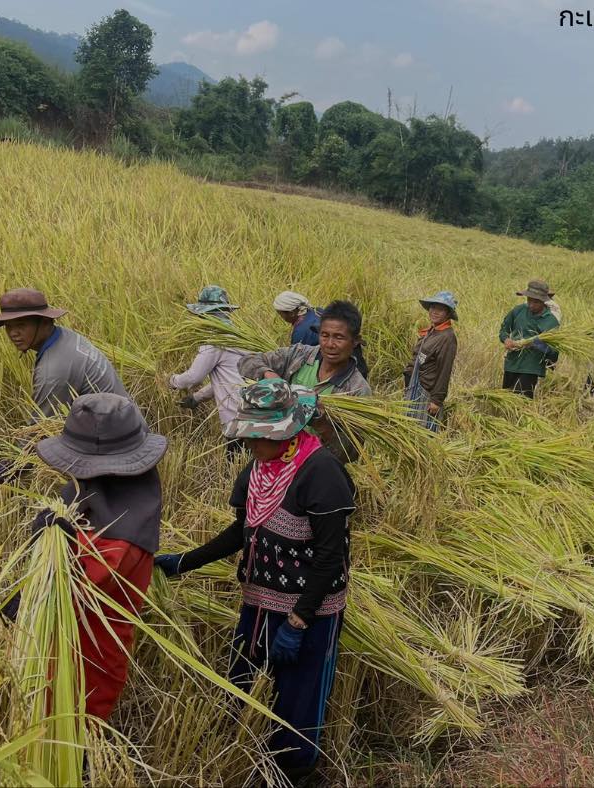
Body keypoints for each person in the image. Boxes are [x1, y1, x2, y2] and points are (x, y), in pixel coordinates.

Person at [154, 379, 354, 784]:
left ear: (290, 431)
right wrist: (185, 562)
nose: (251, 444)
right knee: (242, 680)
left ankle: (294, 772)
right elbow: (241, 530)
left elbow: (332, 558)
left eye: (259, 436)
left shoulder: (322, 473)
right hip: (259, 601)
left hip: (309, 612)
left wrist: (299, 622)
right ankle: (243, 754)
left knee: (299, 697)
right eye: (248, 436)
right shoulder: (261, 467)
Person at [8, 393, 166, 720]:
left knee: (72, 739)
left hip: (84, 666)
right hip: (67, 648)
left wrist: (50, 548)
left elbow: (65, 589)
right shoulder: (122, 494)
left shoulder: (119, 540)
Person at [0, 288, 131, 483]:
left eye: (21, 325)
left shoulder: (54, 369)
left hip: (118, 447)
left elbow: (40, 429)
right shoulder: (64, 337)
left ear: (44, 322)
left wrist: (12, 466)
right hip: (124, 422)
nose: (13, 334)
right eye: (8, 326)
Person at [239, 300, 371, 462]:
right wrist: (269, 375)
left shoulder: (357, 390)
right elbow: (247, 361)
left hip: (313, 465)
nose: (330, 344)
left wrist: (321, 423)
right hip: (276, 454)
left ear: (355, 341)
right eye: (324, 335)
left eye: (339, 337)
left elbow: (350, 454)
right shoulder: (299, 355)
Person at [168, 286, 247, 459]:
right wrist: (197, 398)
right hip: (253, 407)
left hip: (236, 414)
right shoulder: (239, 335)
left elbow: (193, 377)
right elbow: (228, 380)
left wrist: (171, 381)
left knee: (235, 462)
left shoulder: (215, 339)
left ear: (206, 314)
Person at [404, 291, 458, 431]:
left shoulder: (447, 337)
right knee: (411, 427)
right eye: (433, 307)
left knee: (424, 430)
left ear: (448, 313)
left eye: (440, 309)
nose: (434, 311)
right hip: (415, 386)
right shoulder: (432, 332)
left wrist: (436, 400)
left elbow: (444, 370)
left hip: (426, 392)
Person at [499, 280, 560, 399]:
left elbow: (553, 352)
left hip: (531, 367)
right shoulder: (519, 310)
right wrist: (506, 340)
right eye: (529, 300)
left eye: (536, 302)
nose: (531, 304)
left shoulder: (551, 321)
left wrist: (535, 343)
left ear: (544, 301)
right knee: (505, 398)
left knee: (521, 400)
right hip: (512, 363)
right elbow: (504, 330)